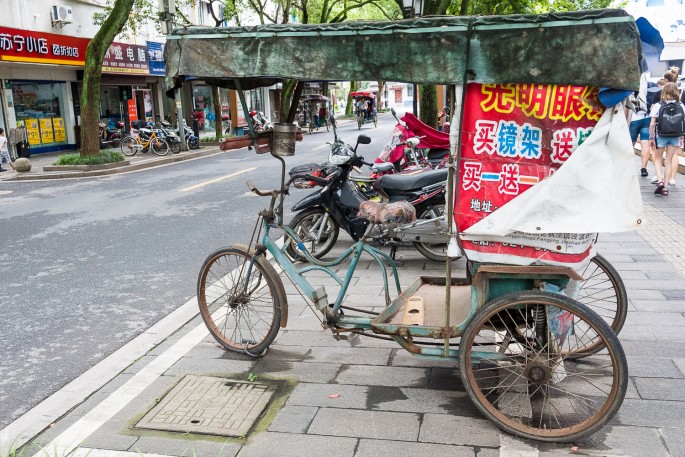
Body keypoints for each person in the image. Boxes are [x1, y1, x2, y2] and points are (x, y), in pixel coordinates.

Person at [649, 82, 685, 196]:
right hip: (675, 136)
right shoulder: (681, 106)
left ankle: (659, 181)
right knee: (668, 160)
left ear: (664, 91)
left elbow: (651, 124)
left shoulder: (658, 105)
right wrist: (682, 137)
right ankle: (665, 187)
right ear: (676, 92)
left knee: (658, 159)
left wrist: (651, 138)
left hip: (661, 135)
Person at [628, 72, 652, 177]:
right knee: (645, 143)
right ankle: (643, 168)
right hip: (646, 118)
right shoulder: (649, 85)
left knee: (630, 144)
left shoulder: (629, 87)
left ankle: (627, 166)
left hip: (634, 119)